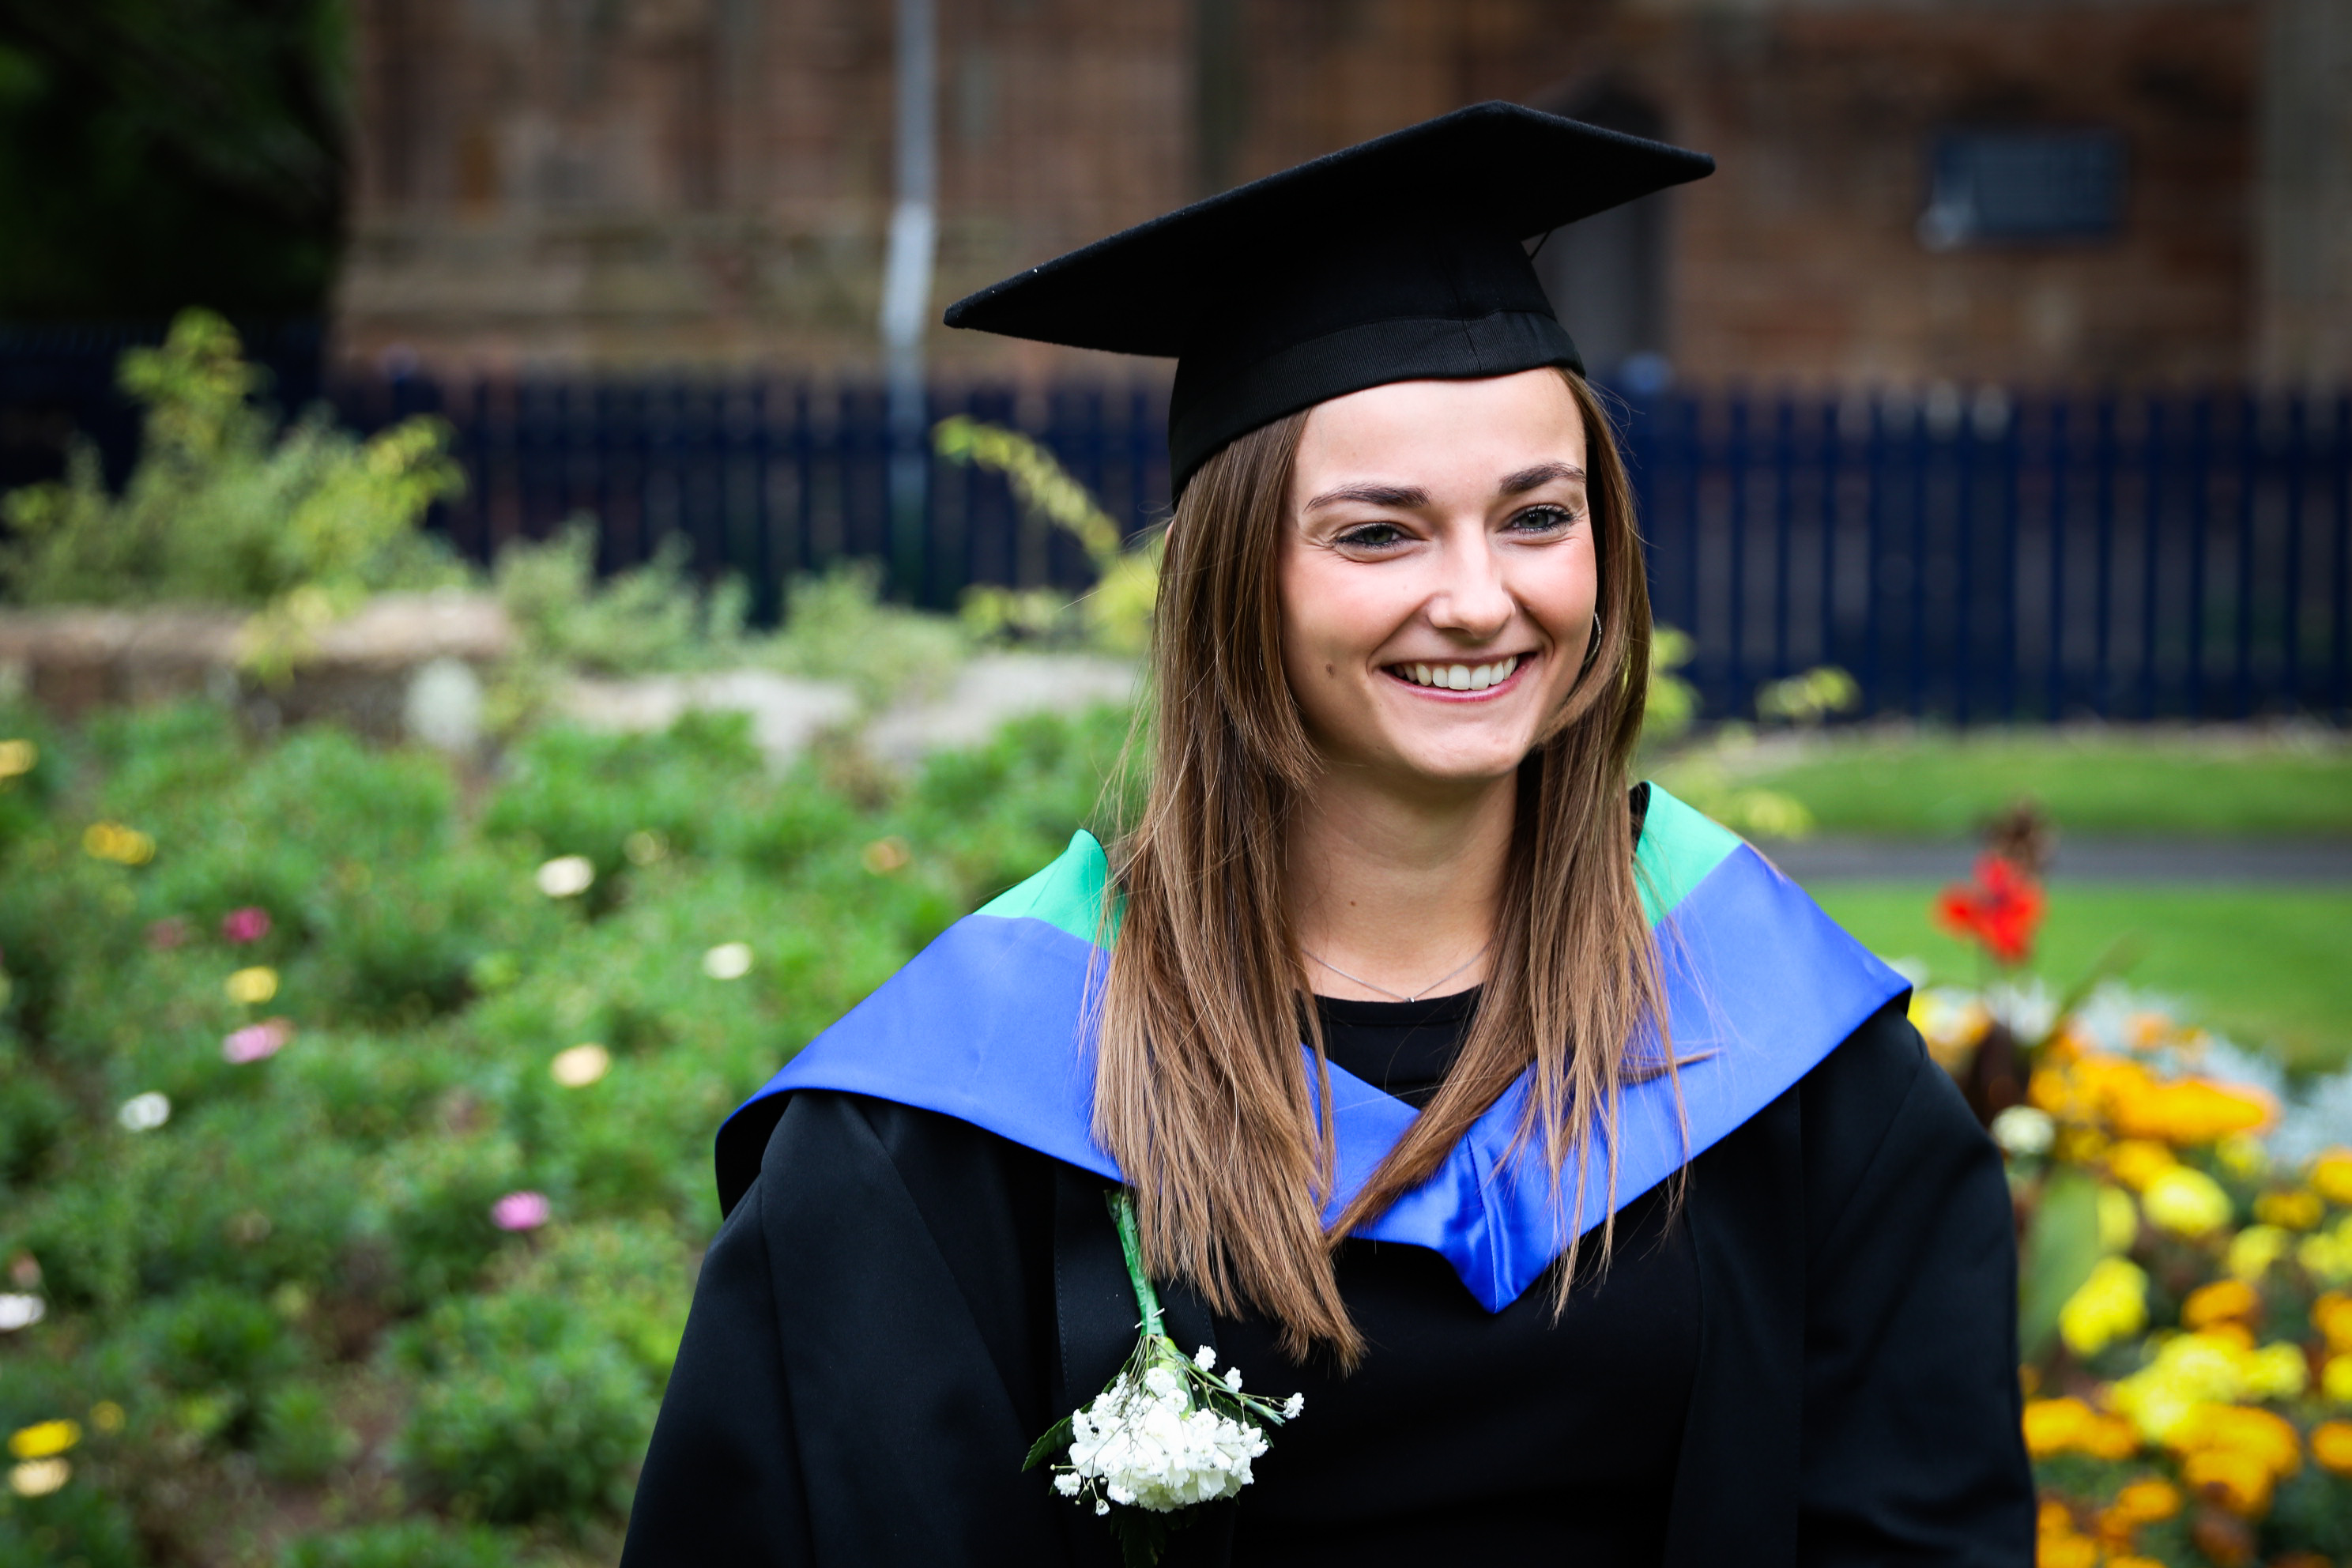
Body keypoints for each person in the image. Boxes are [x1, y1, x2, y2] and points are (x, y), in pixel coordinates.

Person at [620, 103, 2034, 1567]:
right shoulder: (961, 1112)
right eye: (1380, 532)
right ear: (1240, 579)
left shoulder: (1776, 1043)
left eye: (1538, 516)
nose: (1481, 598)